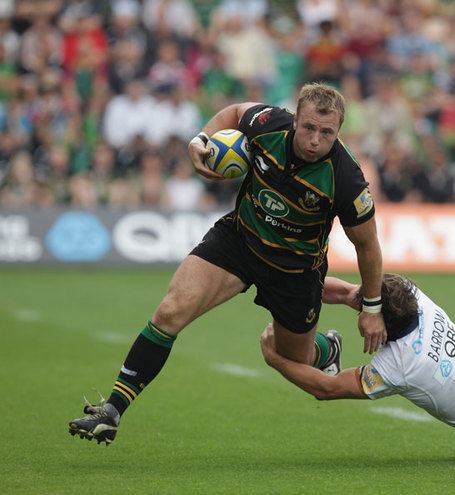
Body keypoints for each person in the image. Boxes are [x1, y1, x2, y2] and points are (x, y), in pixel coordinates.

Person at [69, 83, 386, 445]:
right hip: (240, 240)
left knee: (295, 355)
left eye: (326, 133)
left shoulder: (346, 179)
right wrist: (201, 138)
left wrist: (372, 308)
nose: (315, 139)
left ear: (338, 132)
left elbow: (368, 246)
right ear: (296, 119)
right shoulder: (268, 123)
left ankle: (327, 347)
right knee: (171, 311)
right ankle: (112, 411)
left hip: (295, 271)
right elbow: (235, 112)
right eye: (309, 127)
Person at [260, 273, 455, 463]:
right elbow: (346, 293)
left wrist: (275, 359)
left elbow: (326, 388)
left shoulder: (398, 366)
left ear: (381, 327)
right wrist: (285, 287)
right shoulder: (411, 296)